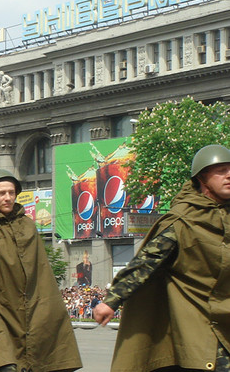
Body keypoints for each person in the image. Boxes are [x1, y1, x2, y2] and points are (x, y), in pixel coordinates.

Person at [93, 144, 230, 371]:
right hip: (197, 320)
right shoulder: (181, 221)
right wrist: (112, 300)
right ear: (202, 179)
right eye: (221, 170)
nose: (229, 175)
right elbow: (145, 263)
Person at [0, 169, 81, 372]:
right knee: (1, 362)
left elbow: (41, 270)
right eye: (1, 193)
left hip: (30, 305)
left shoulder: (27, 225)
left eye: (11, 192)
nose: (8, 198)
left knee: (38, 360)